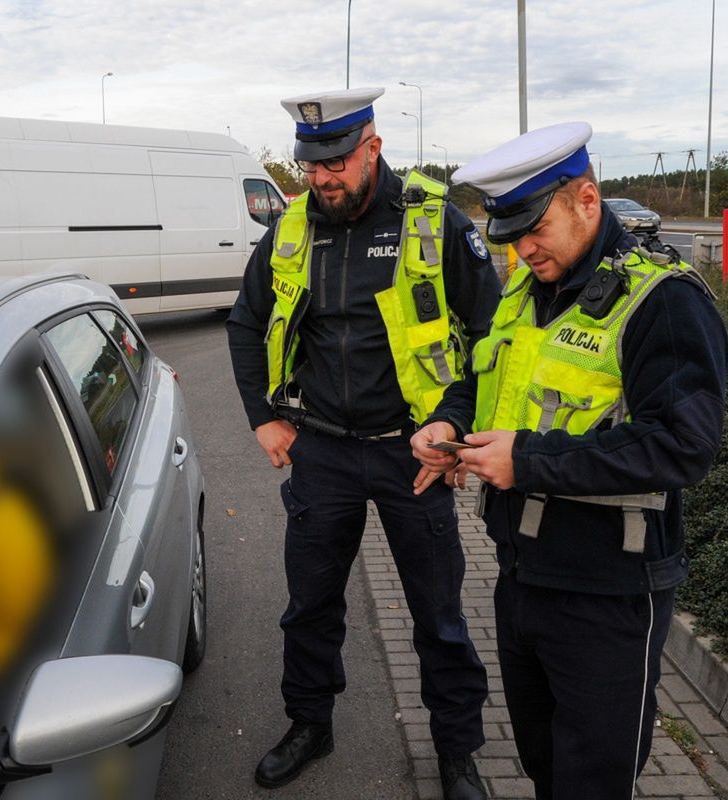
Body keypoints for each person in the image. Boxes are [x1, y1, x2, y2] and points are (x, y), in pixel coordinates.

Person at [411, 121, 728, 799]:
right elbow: (483, 376)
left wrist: (526, 462)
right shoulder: (528, 293)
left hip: (608, 594)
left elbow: (685, 444)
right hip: (522, 577)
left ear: (588, 199)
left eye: (535, 228)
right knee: (543, 761)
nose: (523, 251)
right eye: (511, 236)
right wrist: (450, 421)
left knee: (592, 779)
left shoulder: (662, 300)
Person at [227, 88, 499, 798]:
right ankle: (309, 724)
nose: (322, 178)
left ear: (373, 147)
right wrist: (263, 415)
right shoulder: (292, 228)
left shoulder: (431, 221)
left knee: (439, 614)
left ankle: (457, 752)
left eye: (337, 162)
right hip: (322, 451)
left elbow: (492, 338)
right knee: (309, 606)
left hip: (413, 454)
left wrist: (456, 426)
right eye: (311, 165)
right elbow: (245, 322)